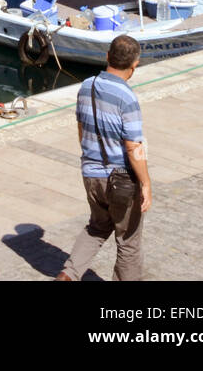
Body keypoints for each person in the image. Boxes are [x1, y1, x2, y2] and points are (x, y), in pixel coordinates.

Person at [57, 33, 151, 282]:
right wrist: (146, 183)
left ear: (107, 56)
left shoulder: (87, 86)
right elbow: (133, 147)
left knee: (98, 227)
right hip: (120, 180)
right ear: (135, 65)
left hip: (91, 174)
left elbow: (81, 127)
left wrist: (91, 158)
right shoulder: (127, 98)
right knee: (128, 242)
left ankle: (67, 275)